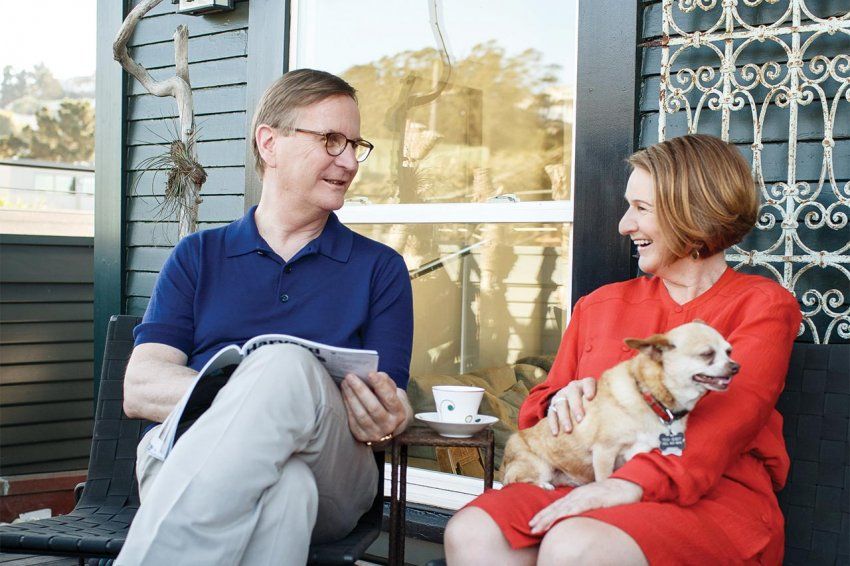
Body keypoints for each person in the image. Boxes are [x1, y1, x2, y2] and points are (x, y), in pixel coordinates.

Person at [444, 134, 801, 565]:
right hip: (580, 479)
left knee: (575, 545)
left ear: (693, 212)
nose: (623, 225)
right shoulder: (599, 306)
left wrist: (622, 485)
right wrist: (561, 402)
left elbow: (727, 421)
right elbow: (537, 411)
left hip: (711, 498)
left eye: (641, 209)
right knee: (474, 531)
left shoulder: (762, 305)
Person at [116, 69, 414, 566]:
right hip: (194, 462)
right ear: (269, 143)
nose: (348, 161)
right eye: (331, 140)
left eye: (355, 145)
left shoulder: (379, 268)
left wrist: (392, 416)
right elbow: (141, 386)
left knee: (282, 365)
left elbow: (391, 400)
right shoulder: (198, 256)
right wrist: (261, 399)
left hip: (335, 477)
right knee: (285, 490)